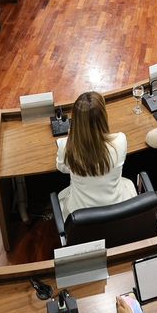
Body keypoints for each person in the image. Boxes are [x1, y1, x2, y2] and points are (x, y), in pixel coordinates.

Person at [55, 91, 134, 221]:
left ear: (75, 120)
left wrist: (71, 139)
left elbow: (61, 167)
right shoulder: (120, 140)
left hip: (82, 216)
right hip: (118, 209)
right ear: (104, 116)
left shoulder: (66, 146)